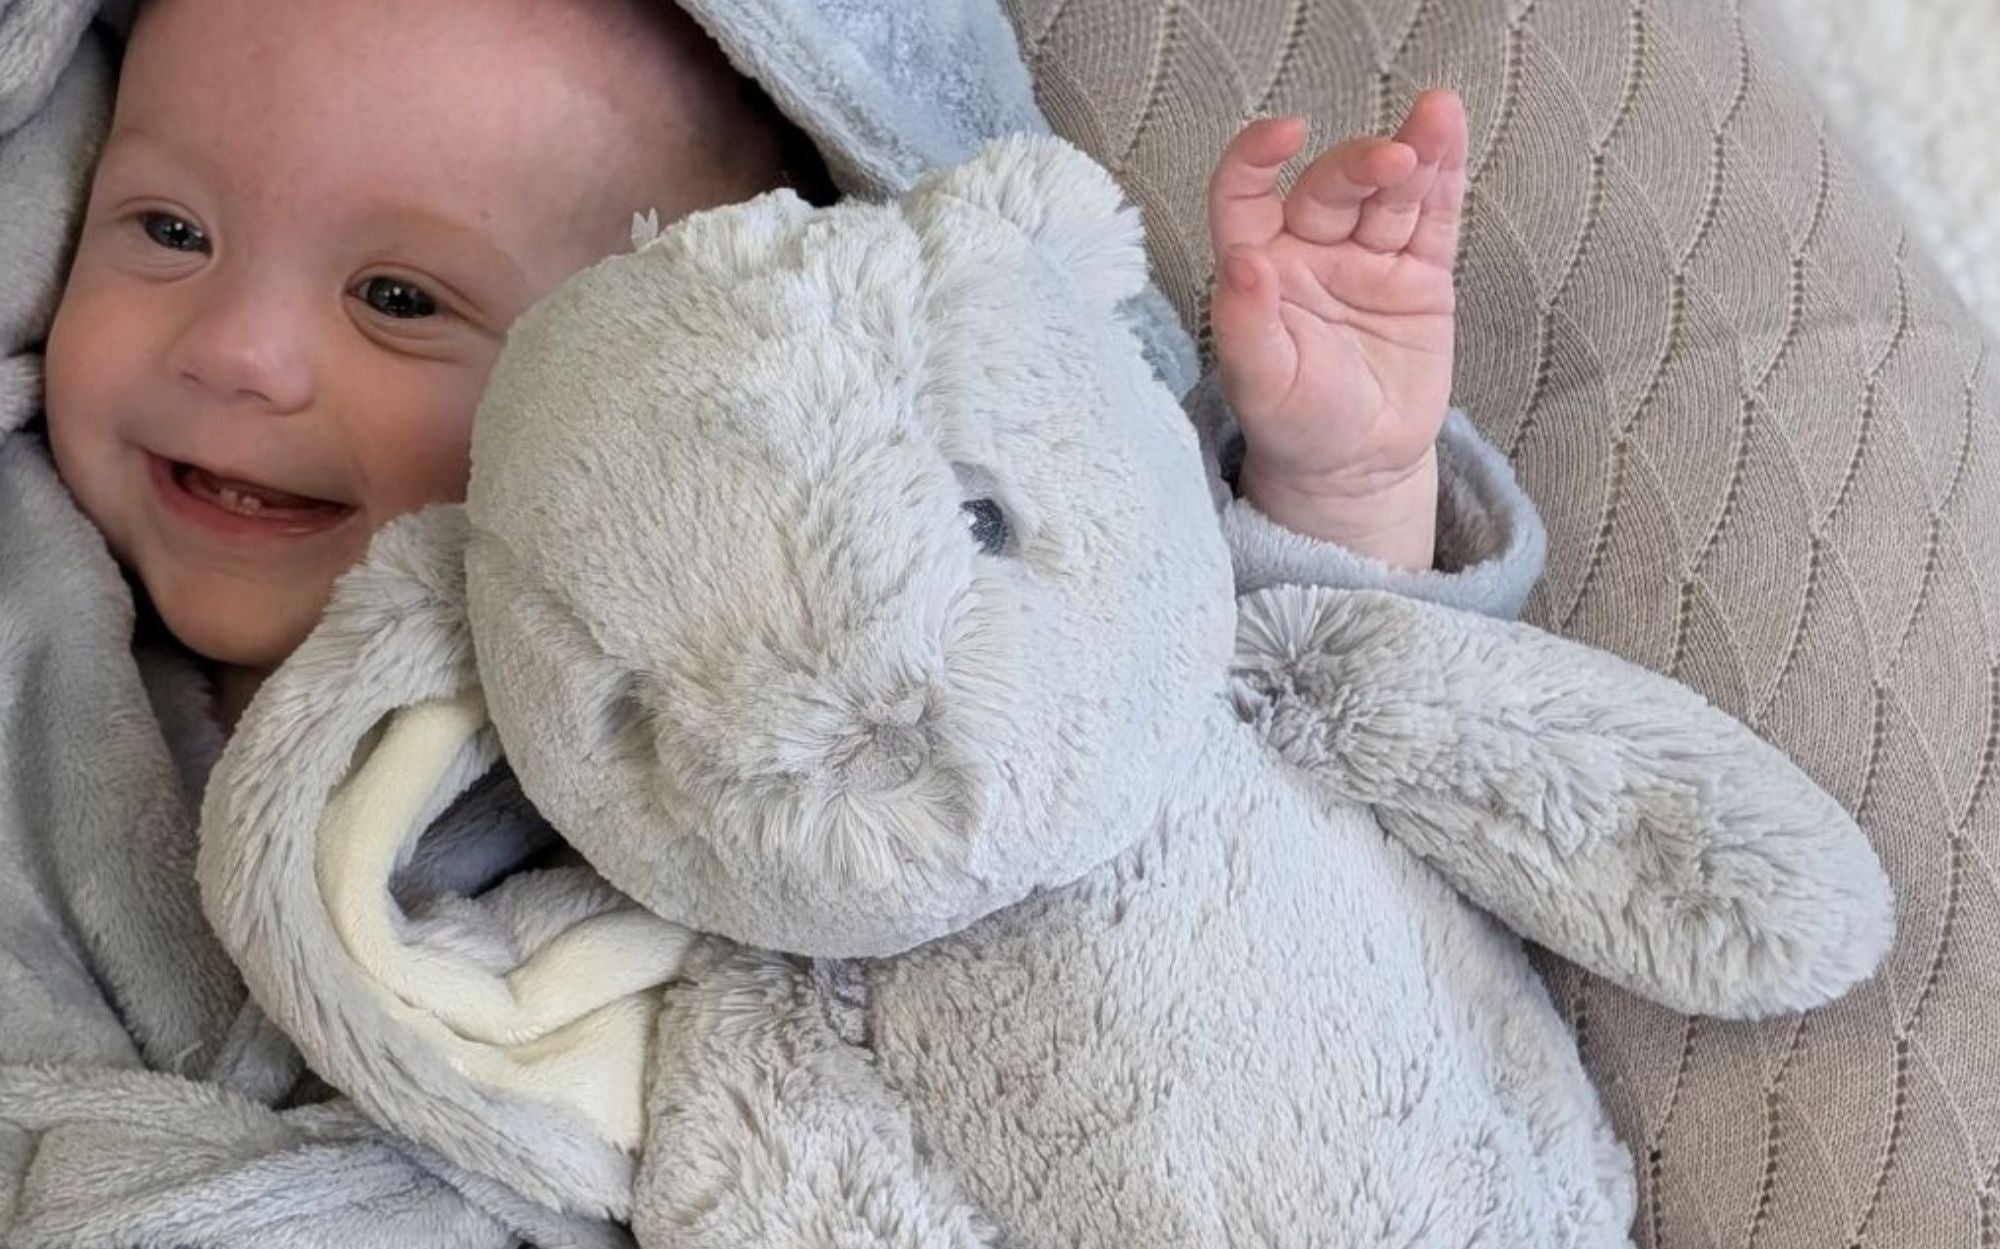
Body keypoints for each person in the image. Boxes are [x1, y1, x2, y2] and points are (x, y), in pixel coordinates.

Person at [42, 0, 1471, 731]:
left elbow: (1192, 757)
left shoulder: (785, 663)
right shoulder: (39, 594)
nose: (235, 352)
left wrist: (1340, 484)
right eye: (170, 228)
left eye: (401, 298)